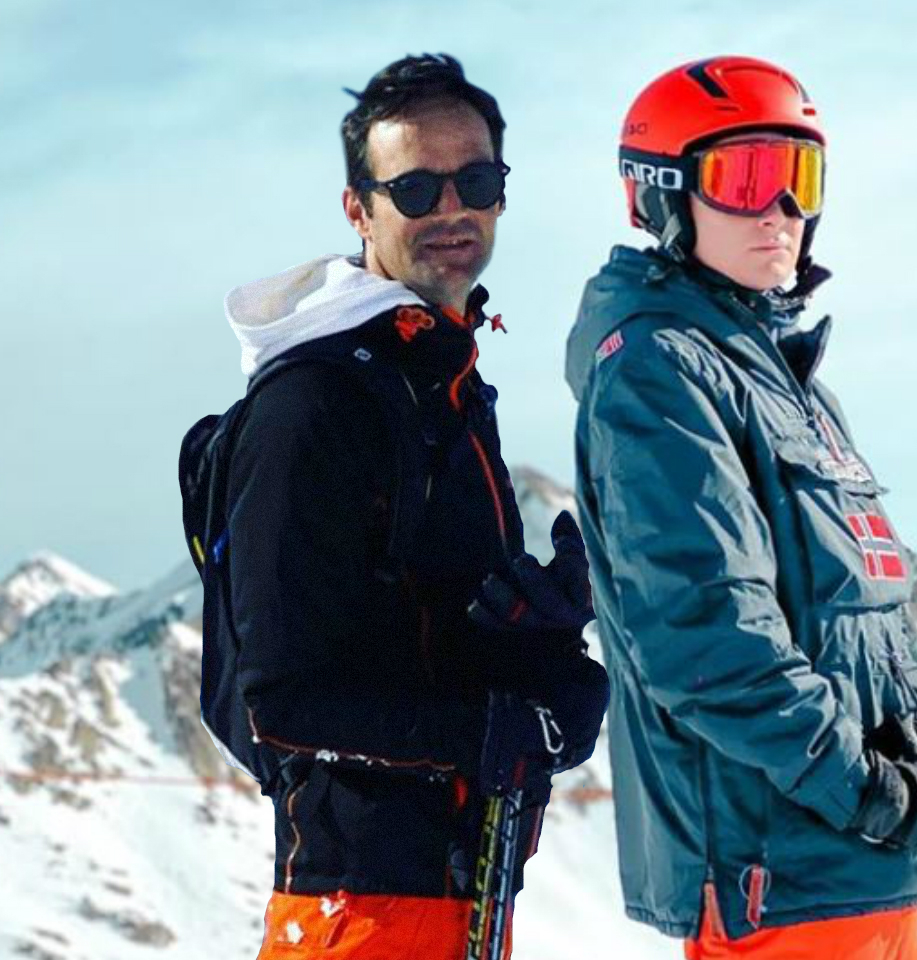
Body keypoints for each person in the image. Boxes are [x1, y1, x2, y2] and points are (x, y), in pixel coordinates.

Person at [564, 56, 917, 959]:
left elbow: (863, 619)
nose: (782, 210)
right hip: (775, 876)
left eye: (800, 178)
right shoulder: (659, 373)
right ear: (662, 196)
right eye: (747, 177)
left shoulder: (786, 379)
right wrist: (877, 793)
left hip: (855, 873)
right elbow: (708, 643)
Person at [211, 53, 608, 959]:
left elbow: (421, 640)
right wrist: (487, 733)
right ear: (360, 207)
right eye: (416, 188)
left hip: (461, 899)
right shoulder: (312, 406)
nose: (451, 210)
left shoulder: (444, 387)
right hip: (359, 914)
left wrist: (544, 659)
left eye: (475, 180)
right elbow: (281, 698)